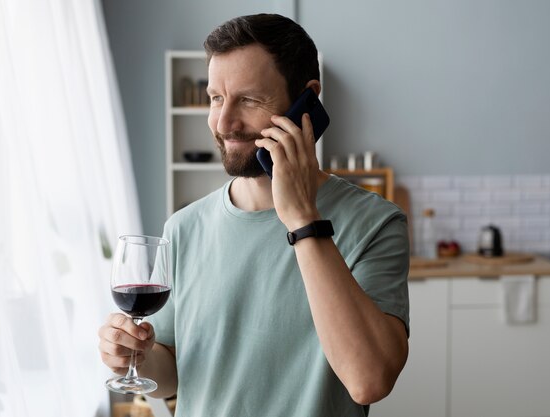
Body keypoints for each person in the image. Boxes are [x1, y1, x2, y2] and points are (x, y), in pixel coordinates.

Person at [98, 13, 410, 417]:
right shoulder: (184, 228)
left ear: (308, 100)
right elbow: (174, 371)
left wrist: (302, 218)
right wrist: (133, 354)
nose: (224, 122)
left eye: (248, 99)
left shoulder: (375, 224)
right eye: (216, 98)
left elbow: (369, 380)